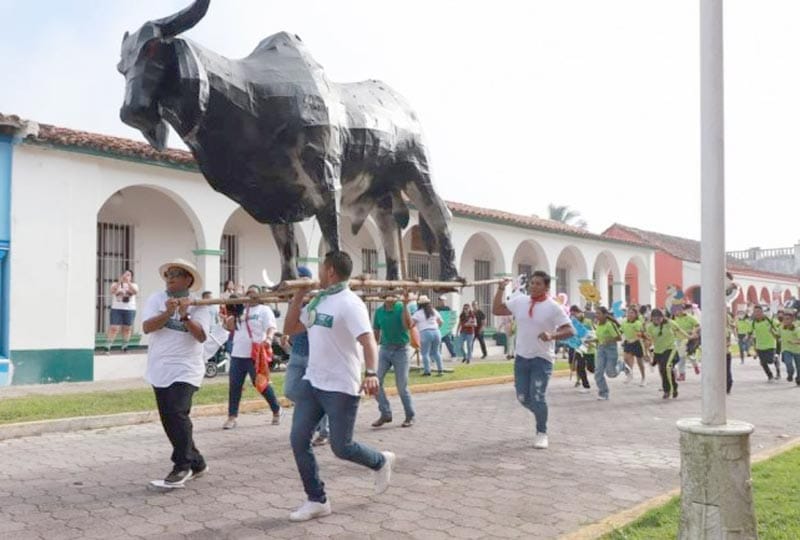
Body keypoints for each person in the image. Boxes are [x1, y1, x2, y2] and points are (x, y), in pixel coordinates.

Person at [283, 251, 394, 522]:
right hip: (313, 381)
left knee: (341, 447)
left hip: (341, 384)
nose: (318, 272)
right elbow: (291, 327)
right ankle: (317, 499)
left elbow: (368, 340)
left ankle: (380, 461)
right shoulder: (319, 300)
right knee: (298, 439)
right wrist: (298, 295)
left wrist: (371, 373)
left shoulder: (349, 303)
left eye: (321, 268)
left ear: (330, 271)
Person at [141, 258, 211, 487]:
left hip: (186, 367)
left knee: (177, 412)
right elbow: (147, 327)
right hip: (160, 367)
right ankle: (197, 462)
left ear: (188, 279)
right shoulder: (156, 299)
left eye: (176, 273)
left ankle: (182, 465)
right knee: (169, 418)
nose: (170, 277)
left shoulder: (199, 305)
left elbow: (201, 336)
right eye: (168, 273)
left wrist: (184, 314)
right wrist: (166, 313)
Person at [492, 270, 574, 450]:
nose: (534, 286)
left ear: (546, 287)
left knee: (537, 396)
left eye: (538, 283)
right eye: (532, 283)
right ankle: (540, 413)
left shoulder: (553, 307)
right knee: (522, 398)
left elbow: (570, 330)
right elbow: (497, 309)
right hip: (522, 357)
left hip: (542, 358)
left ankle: (542, 432)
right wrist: (500, 289)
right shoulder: (521, 301)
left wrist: (552, 335)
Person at [222, 285, 282, 429]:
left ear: (260, 296)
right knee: (235, 386)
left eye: (253, 293)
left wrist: (268, 338)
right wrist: (231, 311)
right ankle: (232, 416)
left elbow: (271, 326)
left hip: (255, 354)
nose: (250, 296)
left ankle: (276, 409)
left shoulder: (264, 310)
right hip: (238, 353)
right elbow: (229, 326)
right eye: (248, 293)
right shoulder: (241, 310)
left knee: (261, 385)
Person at [283, 266, 329, 446]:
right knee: (290, 390)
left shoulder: (317, 300)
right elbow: (289, 324)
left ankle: (323, 431)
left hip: (313, 355)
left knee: (316, 392)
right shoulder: (294, 300)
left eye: (302, 280)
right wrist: (287, 336)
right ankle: (315, 417)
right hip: (296, 353)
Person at [372, 293, 415, 428]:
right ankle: (385, 413)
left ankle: (410, 415)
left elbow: (408, 325)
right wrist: (372, 350)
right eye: (386, 291)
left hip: (401, 350)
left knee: (401, 386)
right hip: (385, 349)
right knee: (375, 382)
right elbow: (376, 332)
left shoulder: (401, 307)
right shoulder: (379, 312)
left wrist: (405, 305)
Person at [643, 308, 688, 399]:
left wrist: (689, 337)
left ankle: (669, 390)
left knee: (666, 367)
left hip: (670, 349)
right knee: (663, 371)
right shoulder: (650, 327)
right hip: (658, 351)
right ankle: (671, 388)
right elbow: (648, 340)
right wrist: (646, 352)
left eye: (659, 318)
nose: (657, 321)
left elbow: (680, 331)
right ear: (652, 319)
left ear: (662, 317)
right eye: (655, 319)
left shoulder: (670, 323)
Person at [593, 307, 623, 401]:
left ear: (605, 315)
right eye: (596, 313)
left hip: (611, 349)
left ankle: (621, 365)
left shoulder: (610, 325)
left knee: (611, 373)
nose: (596, 315)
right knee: (598, 372)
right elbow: (600, 339)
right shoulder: (598, 324)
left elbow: (619, 338)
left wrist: (608, 340)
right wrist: (590, 340)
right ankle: (603, 393)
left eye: (598, 313)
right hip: (601, 349)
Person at [106, 269, 139, 353]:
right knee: (114, 328)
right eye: (125, 274)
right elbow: (112, 291)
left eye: (128, 275)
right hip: (116, 308)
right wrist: (119, 282)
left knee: (127, 328)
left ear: (131, 277)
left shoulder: (134, 285)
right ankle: (108, 346)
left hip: (130, 309)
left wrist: (128, 283)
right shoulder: (115, 284)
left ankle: (125, 346)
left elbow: (135, 292)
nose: (126, 276)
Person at [411, 295, 444, 376]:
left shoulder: (417, 313)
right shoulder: (433, 311)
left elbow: (411, 324)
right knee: (436, 352)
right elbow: (441, 322)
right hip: (436, 332)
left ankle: (427, 371)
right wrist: (436, 327)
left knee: (425, 353)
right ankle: (440, 370)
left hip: (425, 333)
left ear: (419, 304)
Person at [749, 305, 779, 382]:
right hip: (759, 346)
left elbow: (778, 327)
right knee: (763, 362)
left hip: (771, 344)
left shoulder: (770, 320)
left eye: (758, 311)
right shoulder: (753, 323)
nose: (757, 313)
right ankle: (770, 376)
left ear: (762, 312)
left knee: (770, 361)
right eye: (755, 312)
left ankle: (775, 359)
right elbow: (750, 332)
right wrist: (749, 338)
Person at [570, 305, 595, 393]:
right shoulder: (573, 323)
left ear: (580, 312)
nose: (574, 316)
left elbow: (593, 332)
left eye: (575, 314)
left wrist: (588, 339)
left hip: (589, 346)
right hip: (579, 347)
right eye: (572, 315)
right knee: (580, 367)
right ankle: (586, 386)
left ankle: (599, 373)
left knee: (591, 368)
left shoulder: (587, 322)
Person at [620, 306, 647, 386]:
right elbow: (620, 331)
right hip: (628, 343)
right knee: (625, 358)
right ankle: (630, 374)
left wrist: (635, 339)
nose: (629, 314)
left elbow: (640, 334)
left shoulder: (637, 323)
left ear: (636, 314)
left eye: (632, 313)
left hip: (637, 343)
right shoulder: (624, 322)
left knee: (640, 362)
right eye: (628, 312)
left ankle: (643, 378)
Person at [673, 304, 701, 381]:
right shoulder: (675, 318)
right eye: (677, 310)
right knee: (681, 357)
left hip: (688, 340)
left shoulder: (689, 318)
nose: (678, 311)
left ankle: (695, 365)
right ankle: (682, 374)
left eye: (680, 310)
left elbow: (698, 325)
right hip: (678, 339)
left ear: (683, 310)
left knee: (687, 355)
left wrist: (693, 331)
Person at [778, 309, 800, 384]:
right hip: (786, 349)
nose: (785, 321)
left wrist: (794, 342)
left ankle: (798, 378)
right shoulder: (781, 327)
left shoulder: (797, 329)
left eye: (787, 319)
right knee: (788, 363)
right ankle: (790, 374)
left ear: (792, 319)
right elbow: (777, 336)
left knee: (799, 367)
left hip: (797, 350)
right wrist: (771, 332)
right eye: (784, 319)